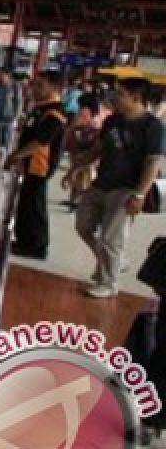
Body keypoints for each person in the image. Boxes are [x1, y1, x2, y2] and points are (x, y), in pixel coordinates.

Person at [69, 78, 164, 298]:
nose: (114, 97)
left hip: (127, 188)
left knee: (111, 238)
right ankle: (114, 262)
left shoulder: (153, 127)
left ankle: (109, 283)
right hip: (101, 183)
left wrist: (139, 194)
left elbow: (152, 163)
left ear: (136, 98)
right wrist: (77, 166)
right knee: (83, 225)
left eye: (120, 94)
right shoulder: (113, 120)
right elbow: (100, 148)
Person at [4, 72, 68, 260]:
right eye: (35, 85)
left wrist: (16, 156)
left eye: (41, 85)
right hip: (29, 164)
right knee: (25, 203)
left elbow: (41, 141)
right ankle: (24, 241)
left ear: (54, 88)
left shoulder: (55, 113)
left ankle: (37, 246)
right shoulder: (40, 109)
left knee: (34, 205)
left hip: (40, 165)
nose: (35, 89)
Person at [60, 93, 105, 211]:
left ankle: (77, 201)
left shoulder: (84, 111)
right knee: (82, 174)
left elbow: (76, 125)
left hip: (83, 147)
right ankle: (74, 200)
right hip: (88, 147)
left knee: (81, 175)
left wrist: (70, 128)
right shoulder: (97, 114)